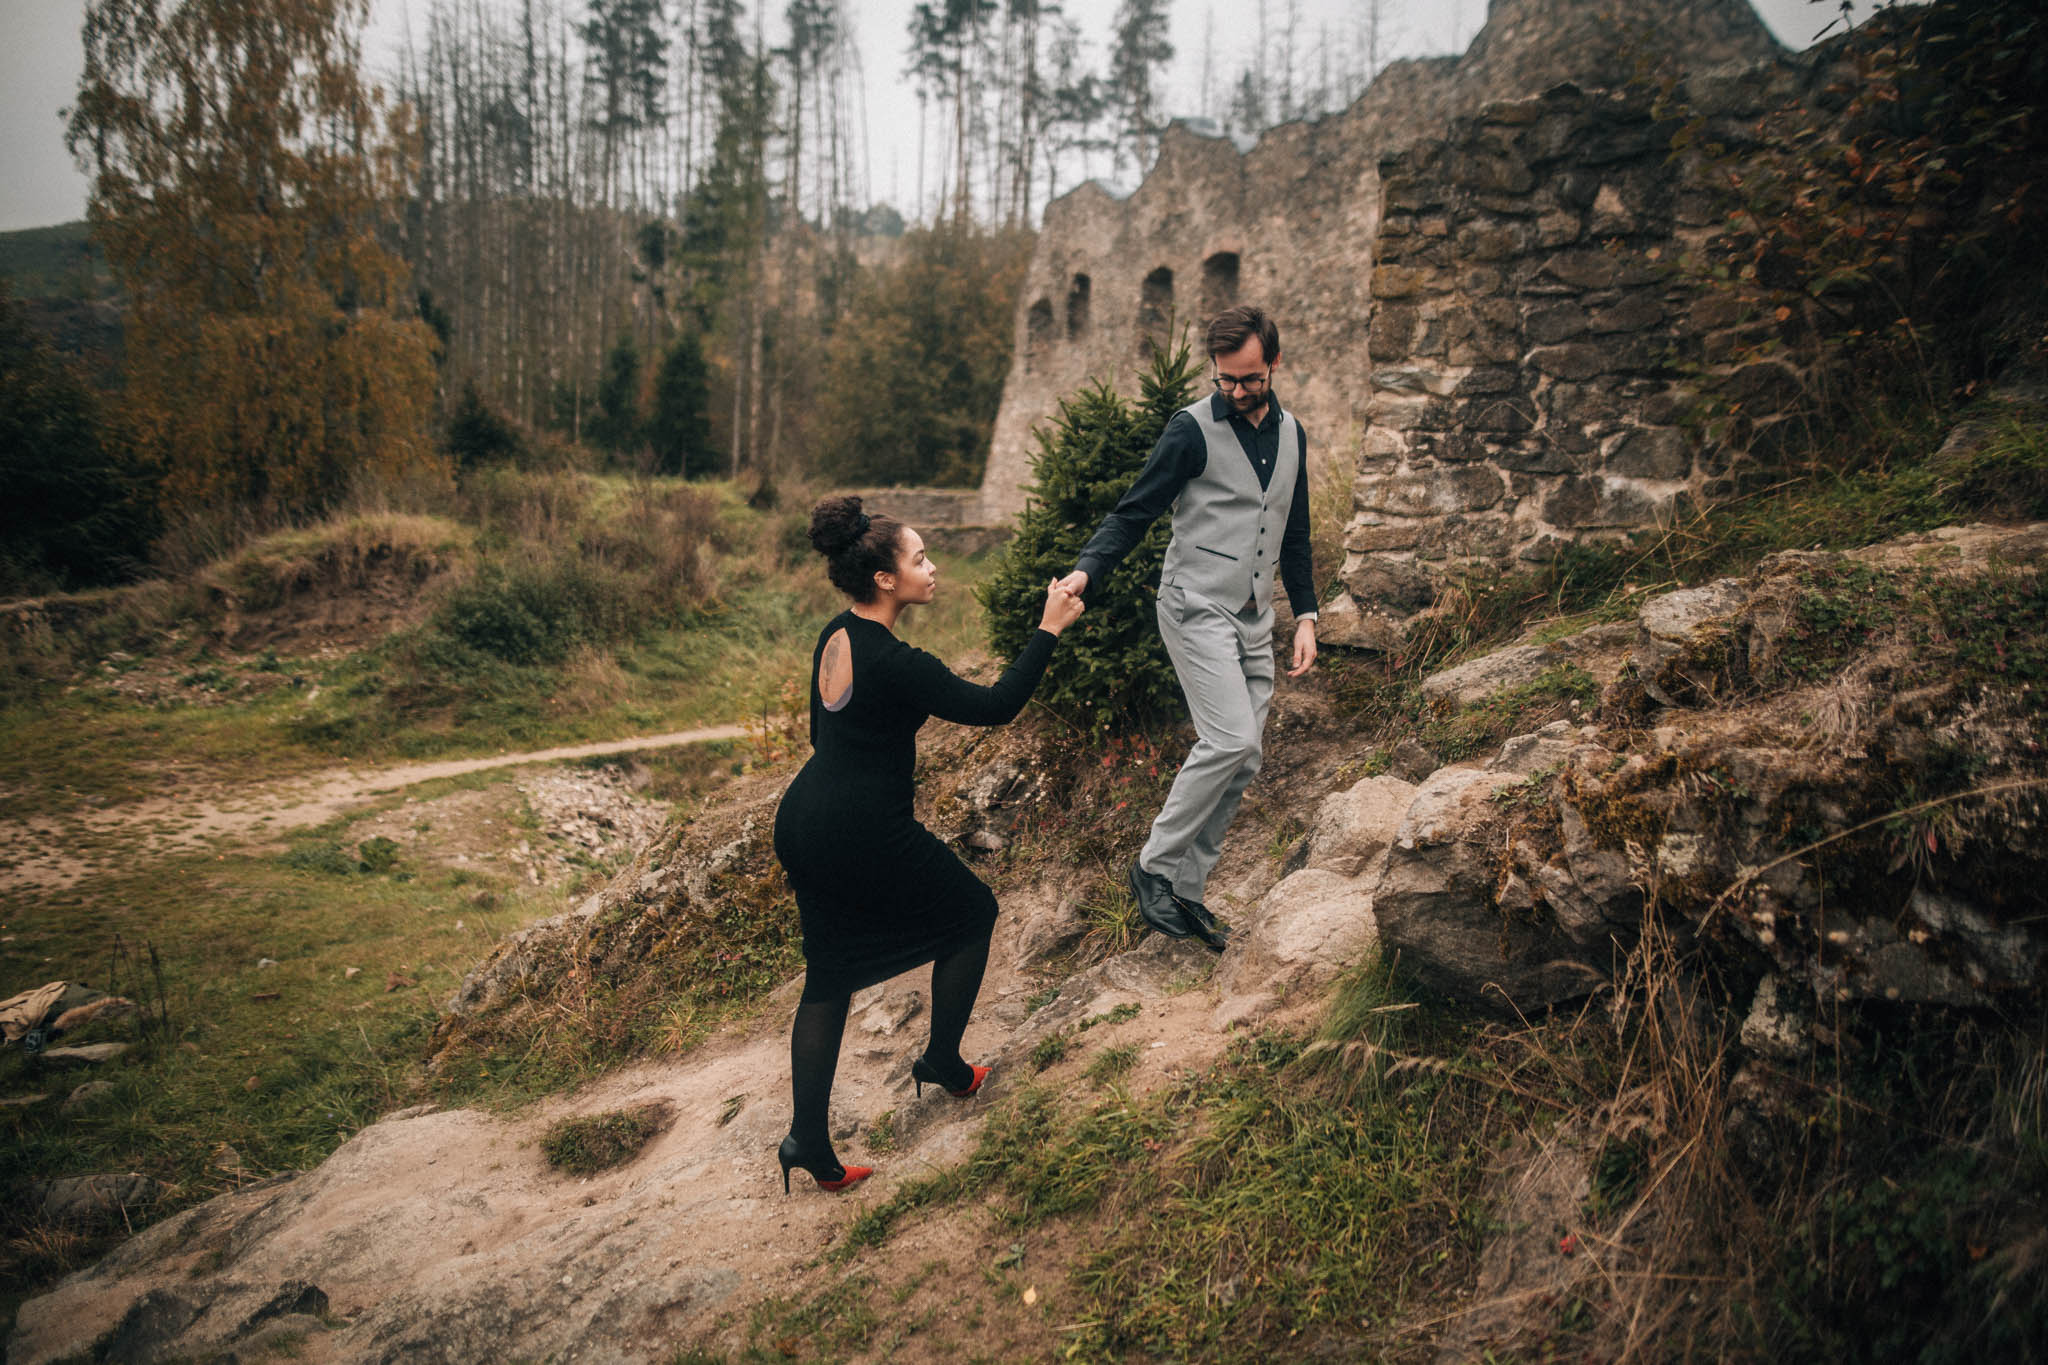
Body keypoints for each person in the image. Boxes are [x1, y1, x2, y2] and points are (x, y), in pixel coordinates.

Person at [772, 495, 1086, 1193]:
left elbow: (824, 734)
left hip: (803, 818)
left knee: (829, 976)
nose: (933, 567)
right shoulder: (897, 661)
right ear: (885, 578)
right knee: (972, 913)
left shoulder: (836, 634)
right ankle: (942, 1060)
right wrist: (1049, 627)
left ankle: (807, 1141)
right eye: (920, 559)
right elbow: (997, 706)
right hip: (860, 827)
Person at [1055, 304, 1317, 952]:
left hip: (1255, 616)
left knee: (1246, 757)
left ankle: (1187, 890)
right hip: (1195, 605)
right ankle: (1153, 868)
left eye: (1249, 378)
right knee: (1229, 739)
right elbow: (1133, 511)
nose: (1236, 390)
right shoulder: (1190, 429)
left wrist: (1306, 616)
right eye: (1225, 378)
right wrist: (1088, 570)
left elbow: (1295, 533)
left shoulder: (1294, 435)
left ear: (1274, 363)